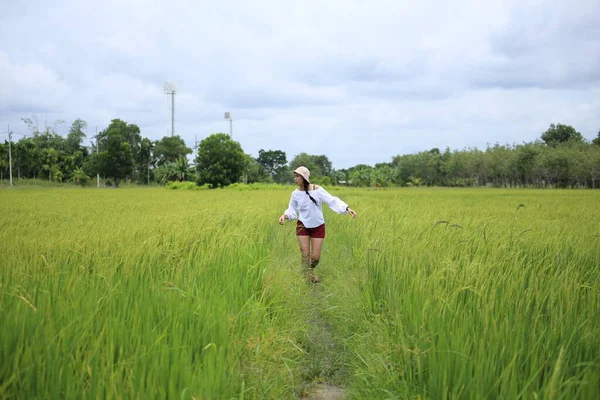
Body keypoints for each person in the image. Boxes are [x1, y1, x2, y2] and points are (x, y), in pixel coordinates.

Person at [278, 166, 357, 283]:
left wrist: (347, 208)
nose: (295, 178)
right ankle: (306, 277)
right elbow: (292, 210)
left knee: (315, 258)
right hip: (302, 226)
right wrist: (284, 216)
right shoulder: (295, 194)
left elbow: (332, 201)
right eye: (294, 176)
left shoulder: (318, 190)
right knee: (305, 255)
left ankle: (309, 271)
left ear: (304, 178)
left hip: (318, 226)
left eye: (297, 176)